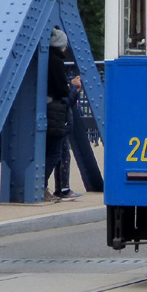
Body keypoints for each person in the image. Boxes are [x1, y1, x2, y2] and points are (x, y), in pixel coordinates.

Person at [44, 28, 71, 201]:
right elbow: (62, 90)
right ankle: (40, 186)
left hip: (43, 108)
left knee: (47, 150)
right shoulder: (56, 61)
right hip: (54, 110)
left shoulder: (44, 57)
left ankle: (39, 186)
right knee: (55, 152)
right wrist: (71, 88)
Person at [55, 71, 84, 201]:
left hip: (61, 123)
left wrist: (75, 90)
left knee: (60, 157)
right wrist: (72, 87)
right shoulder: (57, 84)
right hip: (61, 123)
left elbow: (69, 102)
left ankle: (60, 189)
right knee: (64, 157)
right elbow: (65, 102)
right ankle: (64, 189)